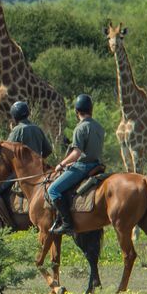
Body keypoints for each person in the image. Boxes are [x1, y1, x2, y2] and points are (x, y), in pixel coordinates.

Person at [46, 94, 105, 235]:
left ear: (76, 111)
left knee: (52, 190)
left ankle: (67, 223)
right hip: (96, 164)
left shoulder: (80, 128)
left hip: (83, 167)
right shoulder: (99, 127)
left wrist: (61, 164)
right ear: (91, 110)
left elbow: (76, 154)